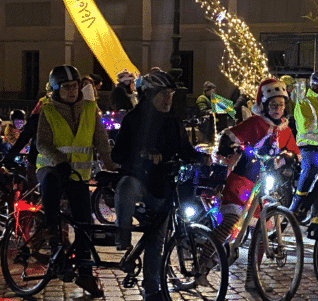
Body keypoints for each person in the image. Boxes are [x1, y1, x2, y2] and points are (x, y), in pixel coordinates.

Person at [111, 70, 209, 301]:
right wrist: (143, 155)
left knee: (157, 240)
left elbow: (183, 148)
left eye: (171, 94)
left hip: (162, 184)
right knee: (126, 187)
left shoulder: (173, 120)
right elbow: (118, 153)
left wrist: (200, 157)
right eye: (163, 94)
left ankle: (152, 289)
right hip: (139, 178)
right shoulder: (134, 119)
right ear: (150, 95)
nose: (168, 99)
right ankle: (122, 234)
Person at [36, 65, 118, 298]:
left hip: (78, 176)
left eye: (74, 86)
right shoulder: (48, 109)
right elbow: (42, 143)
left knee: (84, 223)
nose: (72, 91)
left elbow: (101, 142)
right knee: (51, 184)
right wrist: (59, 161)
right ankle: (54, 246)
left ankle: (85, 273)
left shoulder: (90, 109)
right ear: (56, 89)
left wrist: (112, 166)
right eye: (66, 87)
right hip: (51, 168)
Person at [213, 78, 300, 289]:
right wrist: (233, 147)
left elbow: (294, 151)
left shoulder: (285, 129)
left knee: (261, 230)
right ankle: (207, 259)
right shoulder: (255, 123)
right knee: (231, 219)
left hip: (261, 184)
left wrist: (288, 157)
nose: (278, 109)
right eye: (273, 105)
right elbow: (230, 136)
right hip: (243, 178)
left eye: (281, 105)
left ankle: (253, 279)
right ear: (264, 105)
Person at [288, 71, 318, 223]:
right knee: (310, 170)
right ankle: (295, 205)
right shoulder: (304, 103)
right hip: (307, 146)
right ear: (314, 87)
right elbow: (305, 126)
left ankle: (312, 211)